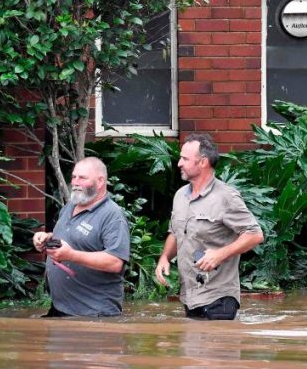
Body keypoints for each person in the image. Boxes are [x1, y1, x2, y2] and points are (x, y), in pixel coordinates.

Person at [155, 133, 264, 320]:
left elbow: (255, 235)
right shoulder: (180, 195)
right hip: (189, 296)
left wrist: (220, 254)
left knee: (215, 347)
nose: (179, 163)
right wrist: (165, 257)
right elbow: (176, 231)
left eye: (185, 158)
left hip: (219, 297)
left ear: (203, 162)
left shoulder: (226, 197)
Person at [32, 157, 130, 317]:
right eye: (74, 177)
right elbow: (71, 237)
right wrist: (46, 239)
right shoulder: (70, 206)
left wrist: (71, 255)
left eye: (82, 178)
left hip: (93, 316)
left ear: (100, 182)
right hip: (61, 309)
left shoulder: (112, 216)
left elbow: (115, 262)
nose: (75, 182)